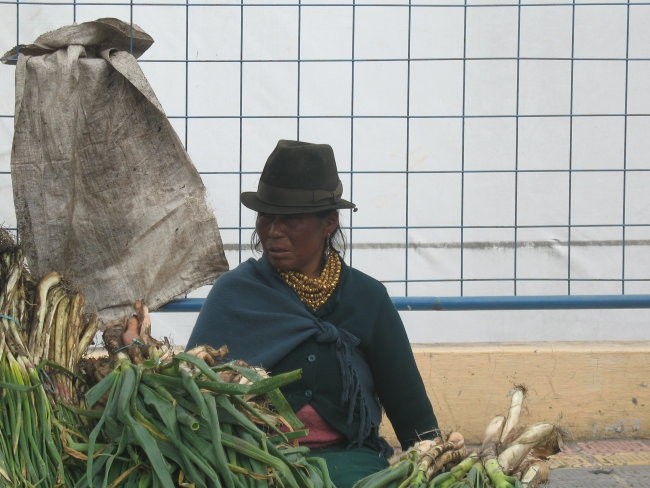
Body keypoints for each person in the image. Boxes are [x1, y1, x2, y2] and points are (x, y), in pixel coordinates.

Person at [186, 139, 439, 487]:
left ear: (329, 223)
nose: (274, 232)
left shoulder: (367, 298)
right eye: (266, 217)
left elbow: (410, 407)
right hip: (255, 463)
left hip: (351, 463)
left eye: (291, 219)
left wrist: (435, 463)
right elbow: (191, 394)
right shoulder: (235, 294)